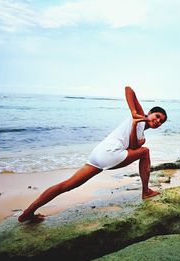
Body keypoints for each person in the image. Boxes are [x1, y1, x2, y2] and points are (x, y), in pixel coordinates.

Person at [18, 86, 167, 223]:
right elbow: (129, 89)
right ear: (149, 113)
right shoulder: (140, 114)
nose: (158, 121)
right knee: (146, 152)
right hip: (109, 153)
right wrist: (134, 113)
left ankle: (28, 213)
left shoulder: (142, 137)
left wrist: (134, 123)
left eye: (161, 122)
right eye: (157, 116)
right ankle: (146, 191)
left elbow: (133, 147)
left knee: (66, 186)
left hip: (99, 154)